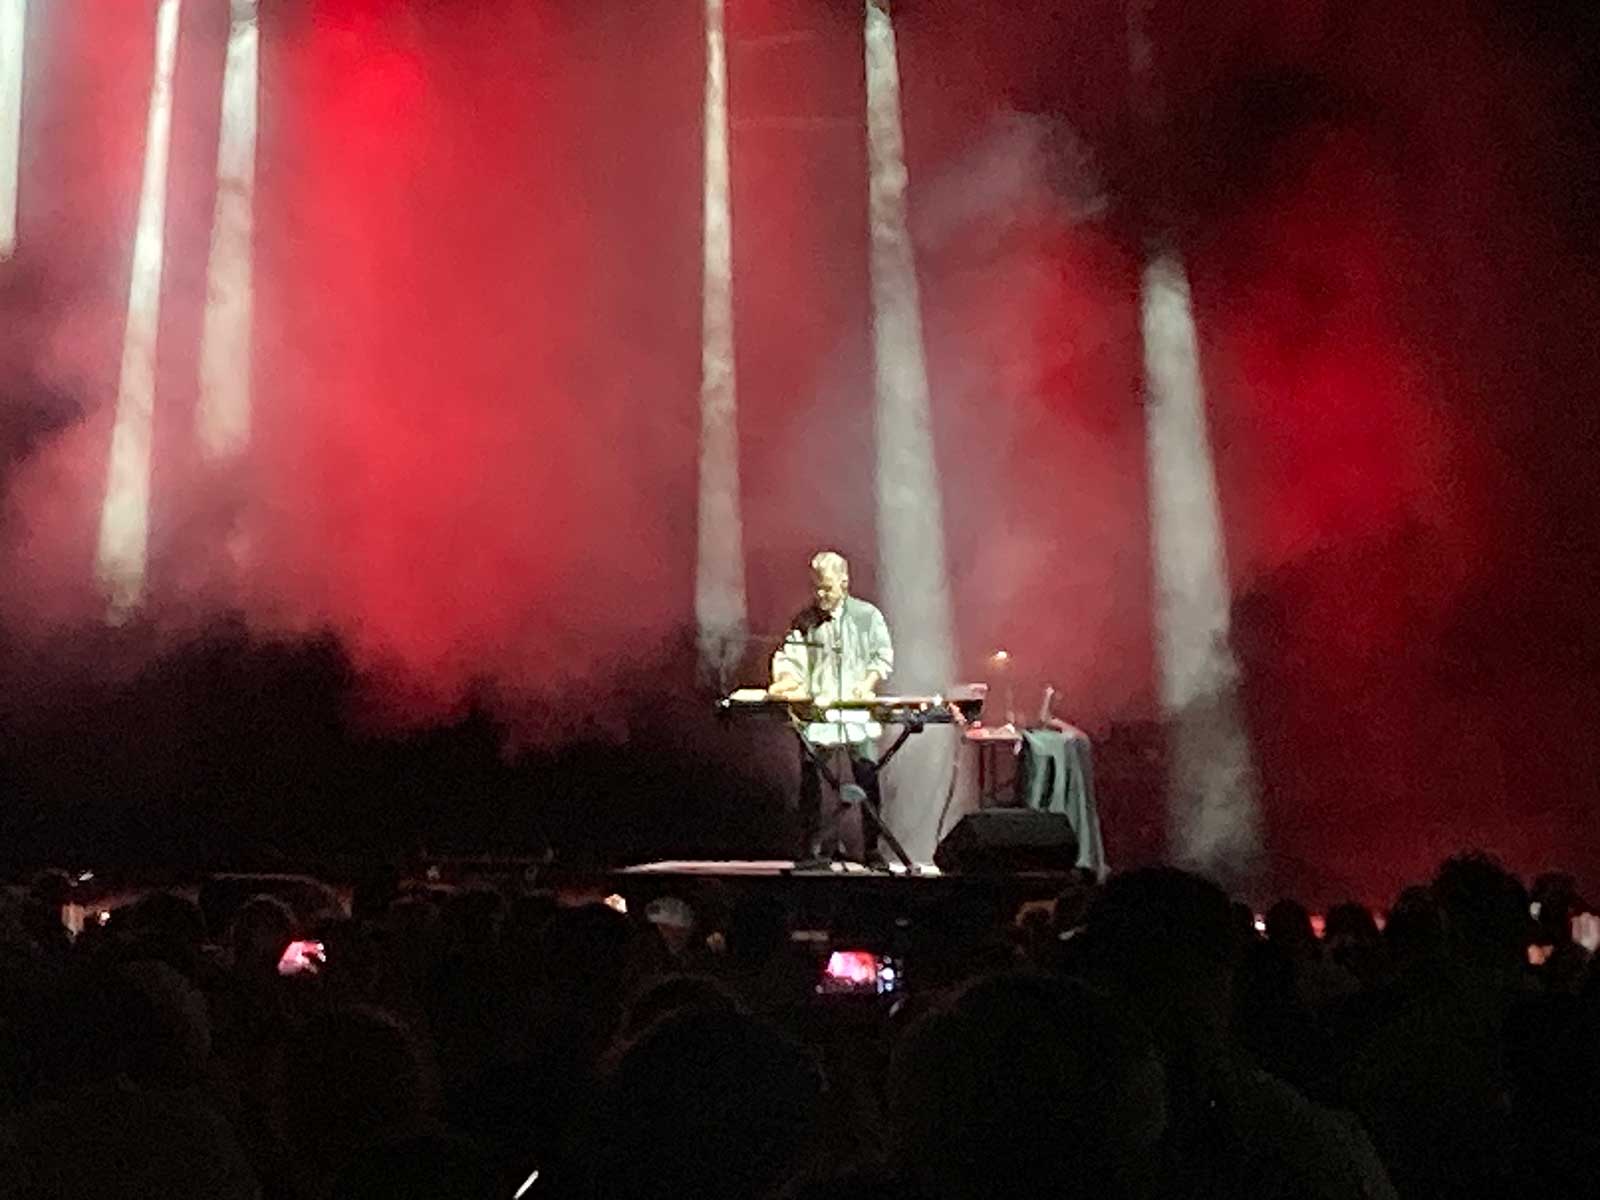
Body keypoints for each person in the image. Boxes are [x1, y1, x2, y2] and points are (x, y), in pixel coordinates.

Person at [769, 550, 893, 868]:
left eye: (827, 588)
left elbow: (882, 657)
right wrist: (786, 681)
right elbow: (790, 658)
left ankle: (873, 848)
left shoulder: (868, 616)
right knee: (812, 781)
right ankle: (813, 849)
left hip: (856, 713)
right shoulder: (804, 621)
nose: (820, 595)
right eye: (816, 588)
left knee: (866, 777)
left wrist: (866, 684)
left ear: (845, 582)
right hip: (818, 714)